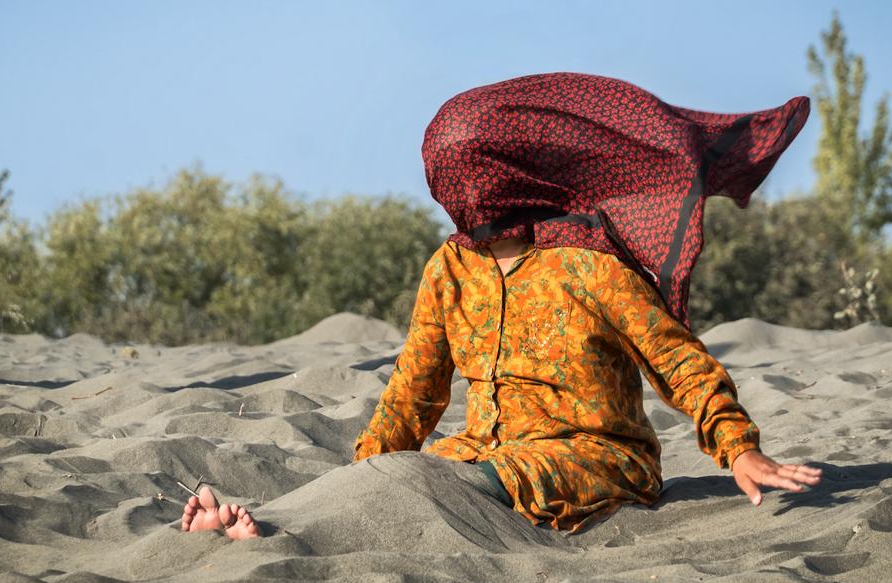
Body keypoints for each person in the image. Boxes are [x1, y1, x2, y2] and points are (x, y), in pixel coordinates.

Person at [182, 73, 823, 539]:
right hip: (481, 454)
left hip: (596, 458)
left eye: (463, 172)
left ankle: (287, 530)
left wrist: (739, 448)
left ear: (505, 172)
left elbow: (677, 362)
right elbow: (412, 393)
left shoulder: (589, 264)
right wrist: (364, 474)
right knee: (411, 475)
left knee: (439, 484)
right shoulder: (449, 269)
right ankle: (273, 524)